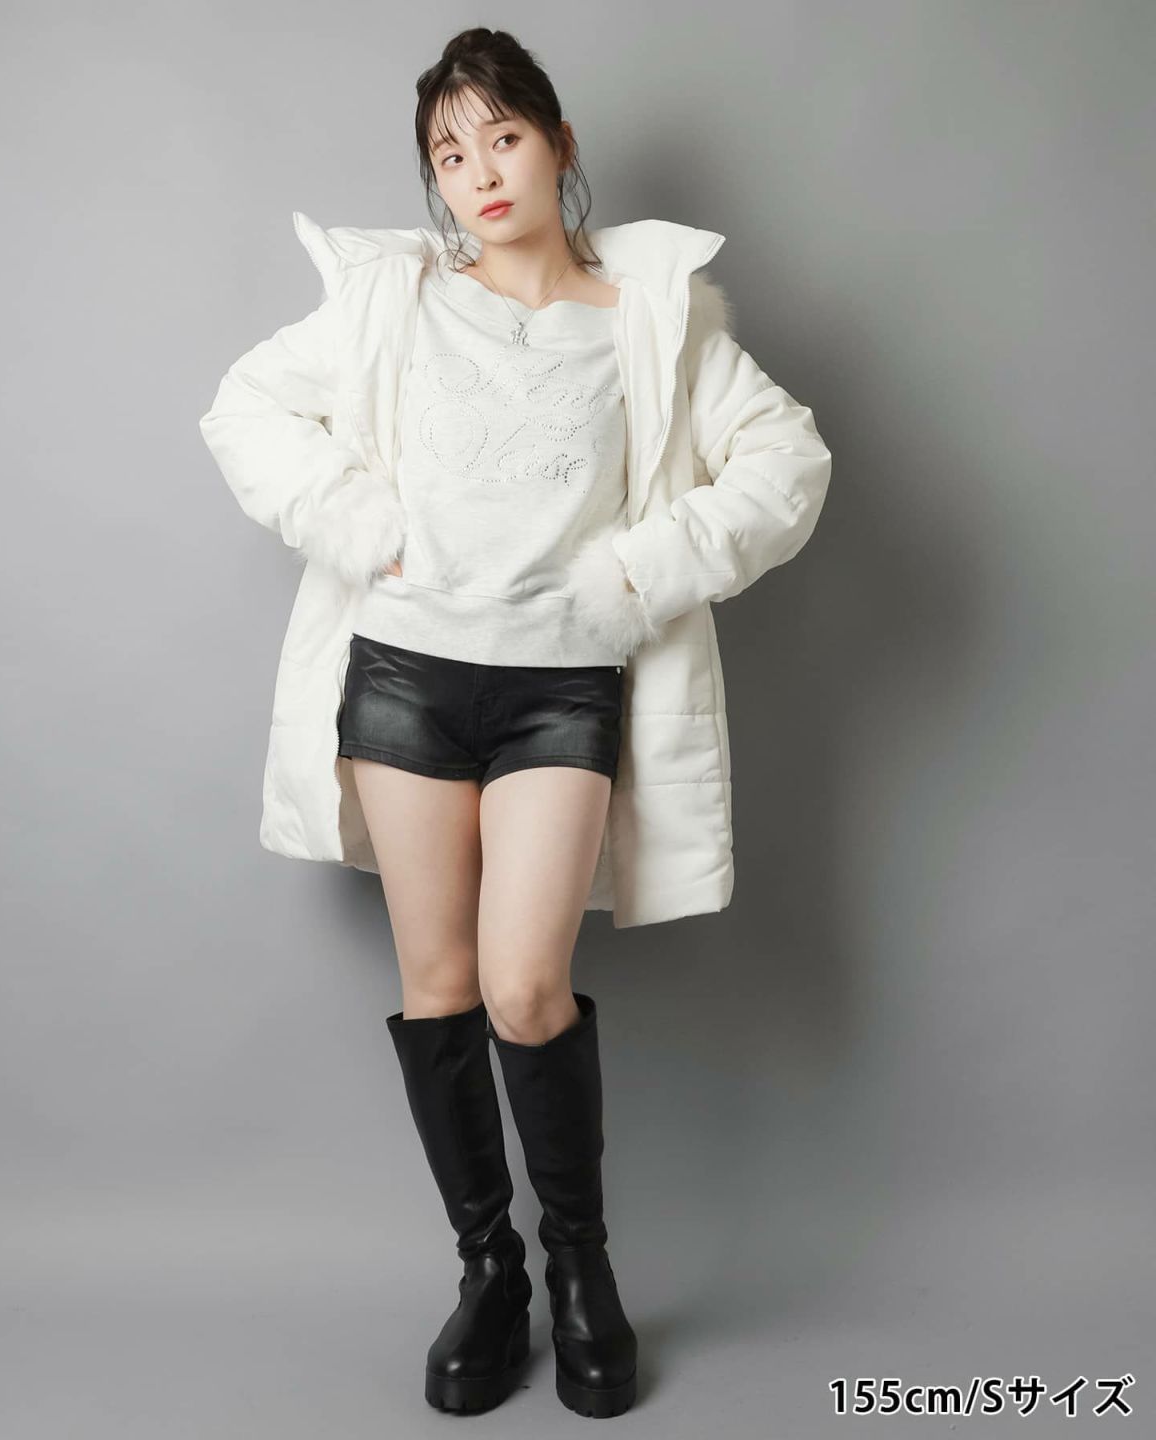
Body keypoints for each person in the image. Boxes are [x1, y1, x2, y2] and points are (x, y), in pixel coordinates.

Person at [199, 25, 832, 1421]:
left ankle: (580, 1269)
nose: (480, 172)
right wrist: (355, 521)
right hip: (406, 680)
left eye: (503, 137)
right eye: (449, 152)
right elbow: (245, 411)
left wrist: (640, 571)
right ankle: (488, 1272)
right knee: (439, 984)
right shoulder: (399, 302)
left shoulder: (655, 316)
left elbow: (786, 461)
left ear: (557, 145)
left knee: (524, 988)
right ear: (433, 180)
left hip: (562, 687)